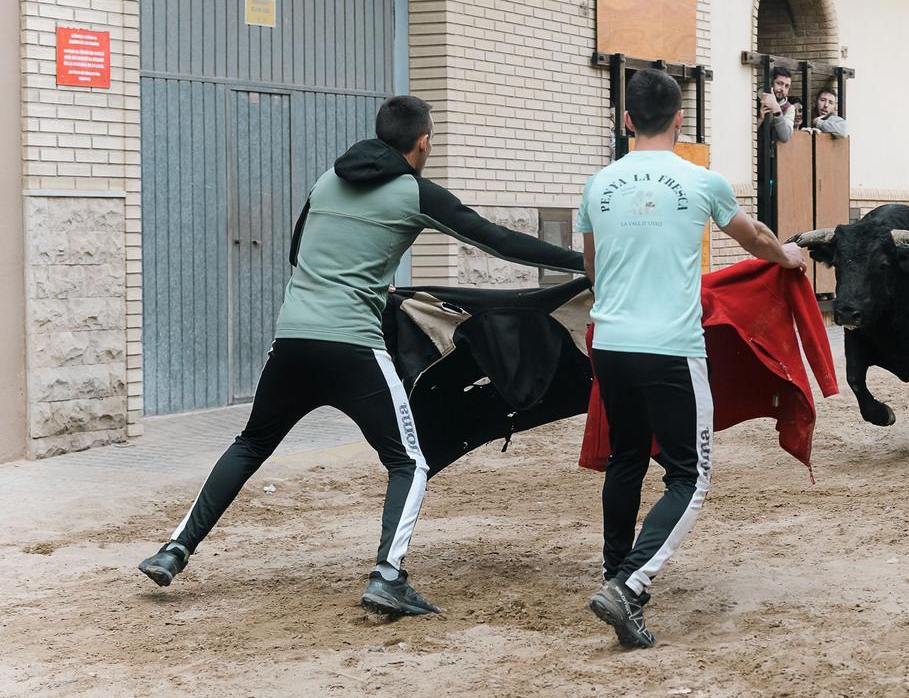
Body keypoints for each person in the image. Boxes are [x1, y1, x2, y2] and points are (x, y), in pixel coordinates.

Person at [137, 96, 585, 617]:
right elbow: (500, 243)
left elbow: (297, 253)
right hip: (353, 348)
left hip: (293, 340)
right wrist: (584, 261)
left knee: (251, 442)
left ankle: (174, 549)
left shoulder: (327, 180)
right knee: (409, 462)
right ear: (422, 143)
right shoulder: (414, 192)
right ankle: (388, 578)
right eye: (431, 141)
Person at [578, 68, 806, 649]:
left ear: (625, 120)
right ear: (681, 120)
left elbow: (591, 271)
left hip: (611, 344)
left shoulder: (597, 185)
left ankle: (614, 574)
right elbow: (752, 238)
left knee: (627, 457)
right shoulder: (703, 181)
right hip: (671, 347)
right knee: (690, 474)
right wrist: (788, 258)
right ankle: (629, 584)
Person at [758, 66, 795, 143]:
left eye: (786, 86)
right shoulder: (754, 99)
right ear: (771, 83)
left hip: (771, 153)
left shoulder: (789, 108)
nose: (783, 89)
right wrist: (760, 119)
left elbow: (785, 137)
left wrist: (776, 108)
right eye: (779, 83)